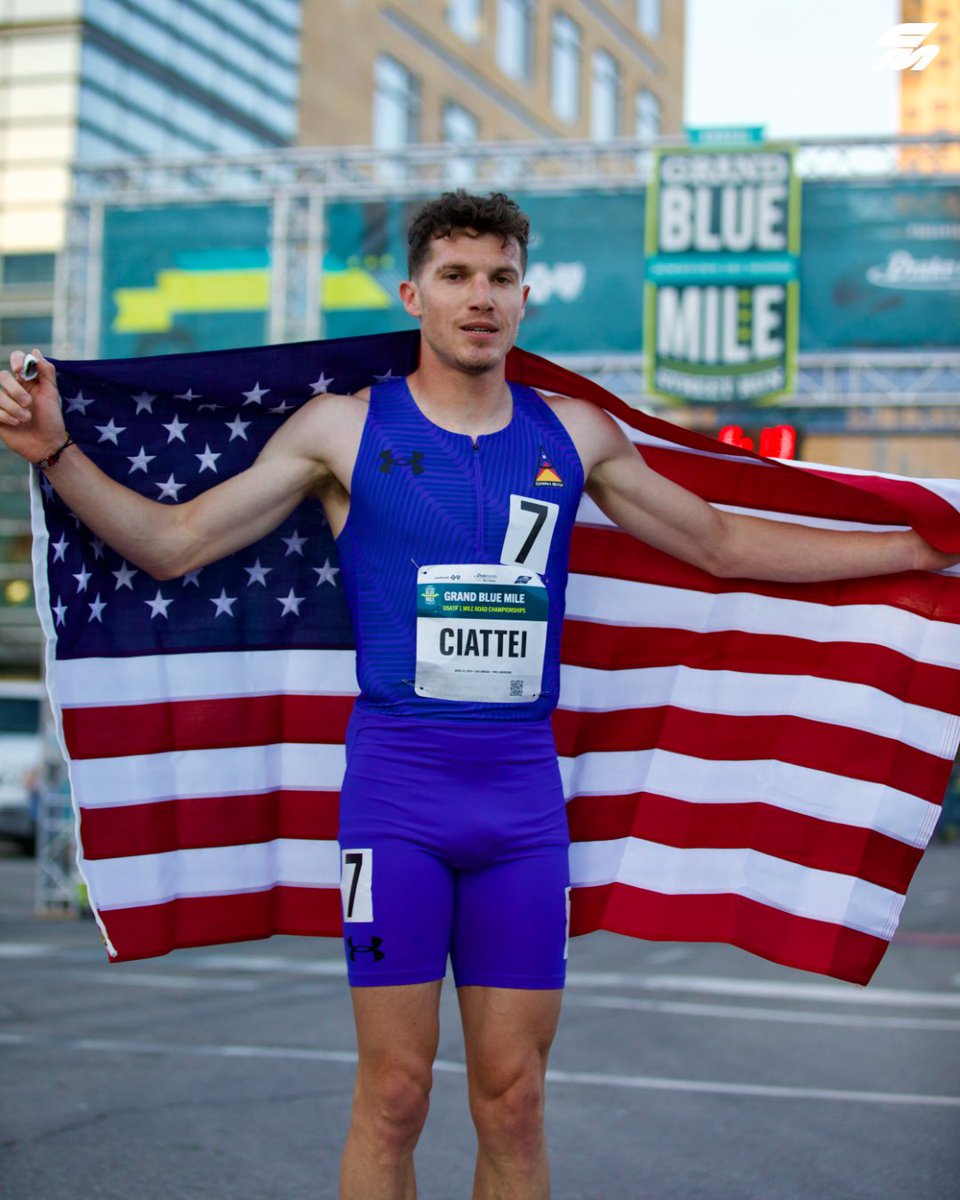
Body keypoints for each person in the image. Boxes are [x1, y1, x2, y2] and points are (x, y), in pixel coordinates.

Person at [0, 190, 956, 1200]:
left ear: (525, 296)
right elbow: (174, 542)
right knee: (396, 1094)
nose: (479, 297)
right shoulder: (340, 429)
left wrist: (913, 546)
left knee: (516, 1100)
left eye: (499, 276)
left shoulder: (576, 436)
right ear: (415, 295)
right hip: (395, 799)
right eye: (456, 276)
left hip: (520, 807)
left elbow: (720, 544)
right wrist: (57, 453)